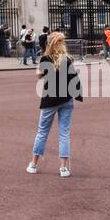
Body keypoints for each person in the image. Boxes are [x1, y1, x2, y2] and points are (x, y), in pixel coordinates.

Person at [26, 31, 81, 177]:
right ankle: (63, 168)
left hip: (50, 98)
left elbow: (38, 75)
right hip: (66, 98)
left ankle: (33, 164)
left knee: (42, 131)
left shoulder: (46, 58)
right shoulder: (68, 59)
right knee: (64, 133)